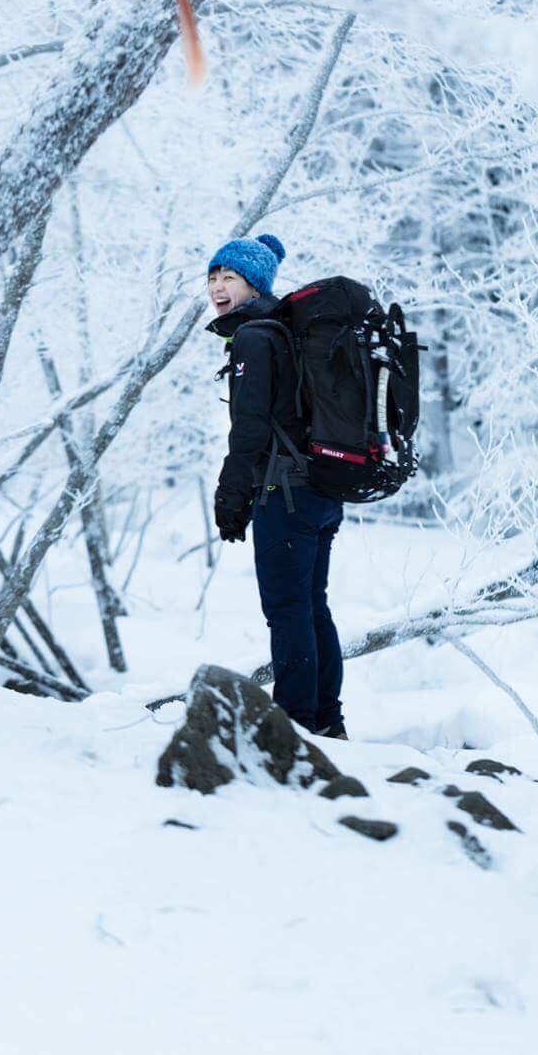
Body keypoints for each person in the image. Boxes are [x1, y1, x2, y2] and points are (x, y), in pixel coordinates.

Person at [206, 233, 348, 740]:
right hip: (320, 488)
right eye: (213, 277)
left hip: (284, 493)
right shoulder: (284, 331)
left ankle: (297, 729)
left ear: (255, 284)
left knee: (289, 611)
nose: (218, 288)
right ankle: (328, 721)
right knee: (312, 605)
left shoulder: (254, 339)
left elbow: (250, 429)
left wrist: (231, 497)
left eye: (230, 278)